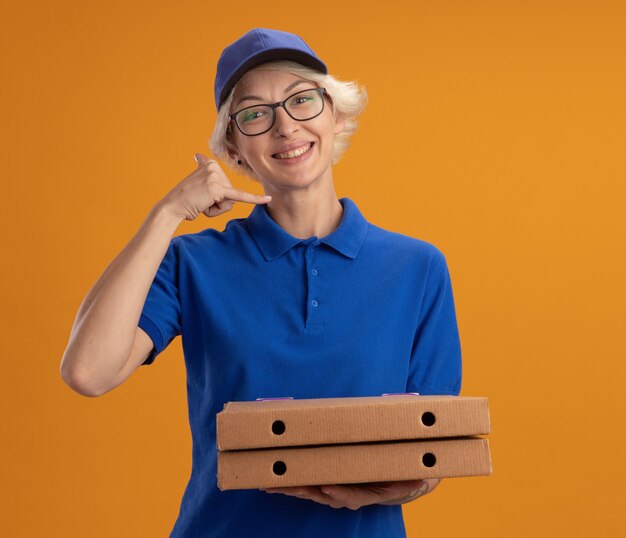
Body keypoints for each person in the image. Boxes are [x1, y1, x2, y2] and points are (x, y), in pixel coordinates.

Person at [60, 28, 462, 538]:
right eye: (255, 113)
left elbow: (434, 448)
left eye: (302, 101)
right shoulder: (192, 263)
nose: (285, 127)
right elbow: (88, 373)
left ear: (335, 115)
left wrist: (389, 489)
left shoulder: (418, 268)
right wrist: (166, 215)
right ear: (233, 146)